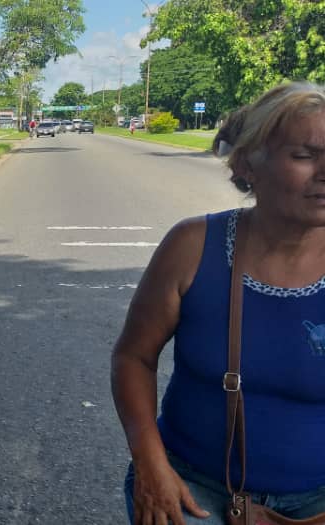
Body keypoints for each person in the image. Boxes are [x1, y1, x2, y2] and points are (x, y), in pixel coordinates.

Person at [112, 81, 325, 525]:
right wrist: (151, 466)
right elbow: (134, 357)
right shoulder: (193, 246)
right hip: (192, 487)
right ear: (248, 163)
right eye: (305, 156)